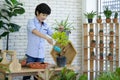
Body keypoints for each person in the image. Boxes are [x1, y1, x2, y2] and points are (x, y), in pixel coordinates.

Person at [23, 3, 53, 80]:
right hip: (31, 55)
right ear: (37, 12)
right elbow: (35, 32)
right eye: (43, 15)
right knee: (27, 76)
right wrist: (47, 38)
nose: (45, 17)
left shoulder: (46, 25)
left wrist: (61, 31)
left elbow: (53, 34)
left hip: (41, 56)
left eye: (46, 15)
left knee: (39, 77)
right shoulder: (31, 22)